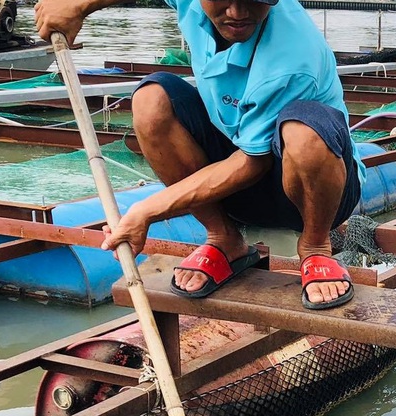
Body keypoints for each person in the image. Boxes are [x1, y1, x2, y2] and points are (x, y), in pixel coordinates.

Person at [35, 0, 362, 309]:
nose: (237, 12)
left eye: (253, 0)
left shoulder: (292, 57)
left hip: (309, 192)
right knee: (151, 101)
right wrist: (76, 5)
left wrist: (147, 211)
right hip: (235, 180)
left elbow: (254, 162)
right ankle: (224, 238)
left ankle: (315, 247)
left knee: (304, 134)